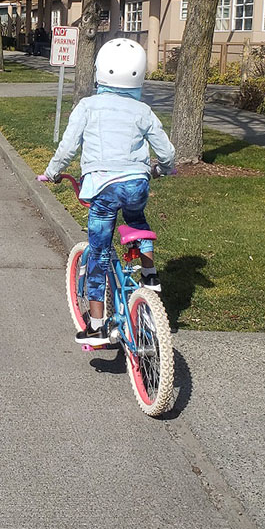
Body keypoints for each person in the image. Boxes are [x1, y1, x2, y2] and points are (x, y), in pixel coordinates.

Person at [43, 37, 175, 346]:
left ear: (100, 70)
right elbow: (167, 153)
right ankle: (150, 274)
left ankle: (97, 326)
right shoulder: (143, 111)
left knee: (99, 254)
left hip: (103, 189)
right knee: (137, 219)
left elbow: (68, 147)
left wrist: (51, 172)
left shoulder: (88, 107)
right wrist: (163, 169)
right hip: (136, 185)